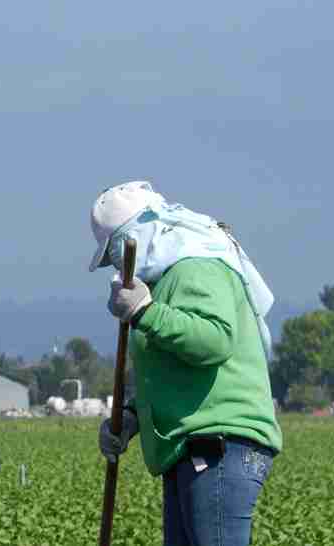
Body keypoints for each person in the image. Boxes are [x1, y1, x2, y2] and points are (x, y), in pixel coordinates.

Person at [89, 180, 285, 546]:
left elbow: (213, 340)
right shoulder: (166, 281)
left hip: (219, 447)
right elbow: (173, 370)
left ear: (141, 232)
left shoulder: (195, 266)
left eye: (115, 250)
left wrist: (145, 312)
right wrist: (131, 419)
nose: (115, 263)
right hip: (194, 451)